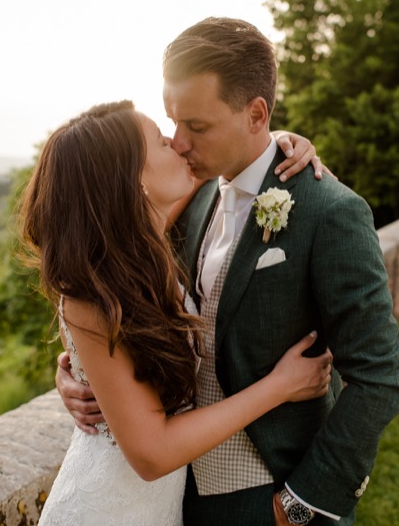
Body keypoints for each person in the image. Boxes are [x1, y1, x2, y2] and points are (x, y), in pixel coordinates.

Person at [57, 18, 399, 525]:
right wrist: (72, 374)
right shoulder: (187, 200)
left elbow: (379, 376)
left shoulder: (328, 211)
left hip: (271, 498)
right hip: (173, 501)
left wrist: (301, 504)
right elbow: (115, 302)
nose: (178, 142)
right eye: (172, 123)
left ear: (256, 114)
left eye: (196, 127)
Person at [21, 100, 334, 525]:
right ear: (133, 182)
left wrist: (276, 142)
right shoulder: (90, 299)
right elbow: (152, 454)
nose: (180, 145)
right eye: (162, 141)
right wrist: (279, 386)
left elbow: (241, 160)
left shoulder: (140, 243)